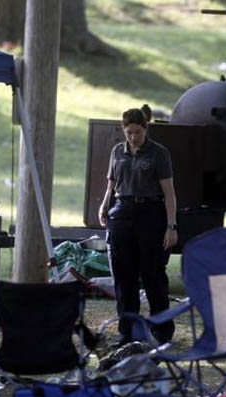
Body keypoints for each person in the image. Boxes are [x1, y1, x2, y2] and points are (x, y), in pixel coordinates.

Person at [98, 105, 178, 345]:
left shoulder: (158, 153)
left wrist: (171, 226)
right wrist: (104, 206)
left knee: (153, 274)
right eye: (129, 132)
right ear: (124, 130)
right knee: (123, 275)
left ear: (145, 129)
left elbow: (169, 193)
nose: (133, 137)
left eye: (137, 132)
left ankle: (161, 332)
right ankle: (128, 333)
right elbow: (112, 185)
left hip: (150, 213)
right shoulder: (117, 152)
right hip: (122, 211)